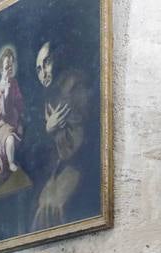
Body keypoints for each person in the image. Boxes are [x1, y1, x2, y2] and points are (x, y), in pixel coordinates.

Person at [32, 41, 94, 229]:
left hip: (80, 164)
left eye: (47, 62)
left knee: (53, 207)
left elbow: (81, 136)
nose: (43, 72)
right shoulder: (50, 95)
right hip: (61, 166)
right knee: (42, 204)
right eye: (38, 69)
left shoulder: (74, 86)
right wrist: (49, 129)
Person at [0, 45, 24, 176]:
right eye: (6, 67)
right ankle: (10, 163)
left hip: (13, 121)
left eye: (11, 66)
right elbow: (1, 113)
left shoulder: (14, 83)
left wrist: (19, 113)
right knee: (10, 139)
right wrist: (7, 93)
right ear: (0, 69)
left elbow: (19, 101)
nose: (9, 70)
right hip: (2, 127)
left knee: (20, 132)